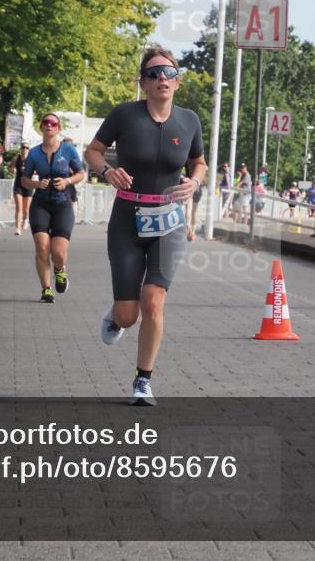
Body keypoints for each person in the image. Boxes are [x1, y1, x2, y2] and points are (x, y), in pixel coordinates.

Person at [84, 45, 206, 406]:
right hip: (127, 219)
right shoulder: (124, 115)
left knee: (153, 301)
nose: (161, 79)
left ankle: (142, 380)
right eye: (153, 73)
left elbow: (198, 163)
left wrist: (195, 182)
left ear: (178, 81)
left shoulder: (189, 120)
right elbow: (92, 151)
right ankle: (118, 314)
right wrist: (106, 170)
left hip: (168, 221)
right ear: (143, 82)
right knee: (129, 314)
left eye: (168, 72)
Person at [20, 114, 85, 303]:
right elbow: (24, 179)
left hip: (62, 205)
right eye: (46, 123)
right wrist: (37, 184)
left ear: (58, 128)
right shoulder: (34, 153)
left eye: (53, 123)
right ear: (41, 127)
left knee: (58, 252)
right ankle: (46, 289)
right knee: (42, 248)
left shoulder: (68, 150)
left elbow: (81, 174)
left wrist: (67, 181)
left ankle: (59, 269)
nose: (49, 126)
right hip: (40, 204)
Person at [11, 145, 33, 234]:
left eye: (27, 148)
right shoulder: (16, 158)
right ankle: (17, 228)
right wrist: (13, 170)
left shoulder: (32, 160)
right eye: (23, 147)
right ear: (21, 149)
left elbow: (37, 171)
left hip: (28, 185)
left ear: (29, 150)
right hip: (18, 185)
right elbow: (11, 167)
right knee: (19, 207)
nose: (25, 149)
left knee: (26, 209)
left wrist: (28, 170)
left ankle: (25, 220)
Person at [185, 164, 203, 241]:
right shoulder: (201, 163)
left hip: (190, 185)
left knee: (189, 209)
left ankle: (189, 229)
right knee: (193, 211)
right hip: (197, 186)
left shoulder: (187, 161)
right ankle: (192, 230)